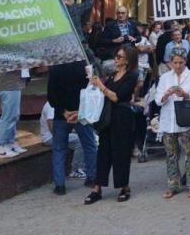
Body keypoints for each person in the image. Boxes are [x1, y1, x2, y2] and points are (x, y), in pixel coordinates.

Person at [86, 45, 139, 204]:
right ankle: (97, 187)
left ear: (128, 60)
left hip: (122, 118)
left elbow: (116, 97)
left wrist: (101, 86)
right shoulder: (113, 75)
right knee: (103, 152)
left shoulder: (132, 76)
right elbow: (104, 95)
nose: (116, 59)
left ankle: (124, 186)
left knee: (121, 152)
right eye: (117, 56)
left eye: (120, 57)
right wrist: (95, 83)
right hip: (108, 118)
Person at [155, 47, 190, 199]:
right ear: (170, 62)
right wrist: (167, 94)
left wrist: (186, 94)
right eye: (175, 62)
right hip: (169, 122)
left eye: (181, 62)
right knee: (171, 155)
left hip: (186, 120)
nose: (178, 65)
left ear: (185, 61)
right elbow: (157, 100)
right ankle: (173, 185)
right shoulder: (165, 77)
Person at [47, 58, 98, 194]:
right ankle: (92, 177)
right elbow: (90, 89)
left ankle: (60, 185)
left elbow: (51, 95)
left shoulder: (55, 67)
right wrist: (79, 111)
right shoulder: (83, 65)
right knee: (89, 145)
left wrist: (64, 111)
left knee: (59, 149)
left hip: (60, 115)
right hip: (81, 113)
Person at [40, 101, 84, 181]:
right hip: (50, 138)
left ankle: (83, 168)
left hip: (58, 135)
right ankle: (75, 170)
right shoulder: (51, 106)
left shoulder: (59, 103)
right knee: (80, 141)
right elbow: (53, 129)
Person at [0, 70, 26, 158]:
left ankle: (10, 143)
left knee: (14, 116)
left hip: (14, 85)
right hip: (9, 86)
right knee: (8, 116)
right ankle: (1, 147)